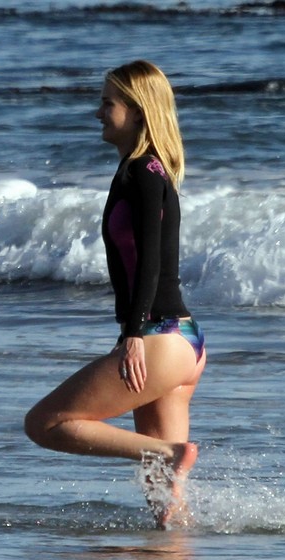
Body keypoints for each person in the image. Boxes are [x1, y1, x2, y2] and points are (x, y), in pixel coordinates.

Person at [24, 60, 206, 529]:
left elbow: (148, 260)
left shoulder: (142, 173)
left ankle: (169, 452)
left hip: (158, 336)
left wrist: (133, 333)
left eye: (108, 103)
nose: (98, 113)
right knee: (165, 506)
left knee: (46, 423)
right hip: (181, 338)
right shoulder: (148, 169)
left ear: (138, 109)